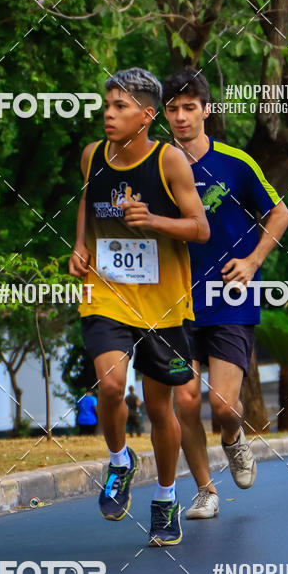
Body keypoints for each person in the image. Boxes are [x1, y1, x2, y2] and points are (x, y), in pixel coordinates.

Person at [69, 67, 210, 545]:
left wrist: (153, 220)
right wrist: (80, 247)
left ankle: (166, 499)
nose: (108, 115)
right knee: (110, 384)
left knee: (158, 407)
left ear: (147, 116)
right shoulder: (94, 156)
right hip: (106, 291)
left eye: (120, 107)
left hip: (163, 304)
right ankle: (118, 461)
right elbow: (87, 202)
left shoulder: (170, 161)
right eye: (106, 105)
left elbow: (200, 228)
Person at [162, 68, 288, 518]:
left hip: (229, 297)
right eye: (173, 109)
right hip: (173, 302)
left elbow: (280, 213)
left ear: (206, 110)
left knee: (220, 404)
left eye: (189, 108)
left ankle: (233, 438)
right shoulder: (155, 165)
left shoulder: (235, 162)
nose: (181, 117)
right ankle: (205, 490)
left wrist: (254, 261)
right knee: (185, 399)